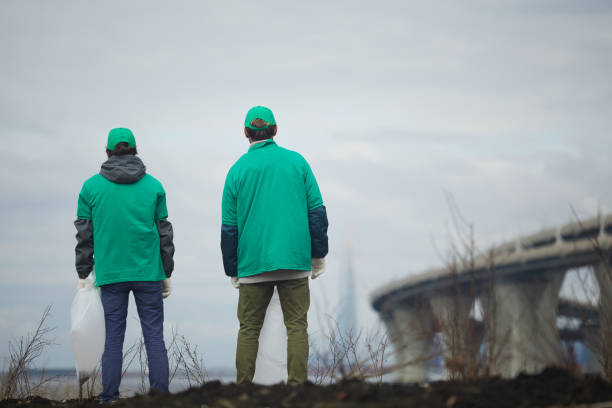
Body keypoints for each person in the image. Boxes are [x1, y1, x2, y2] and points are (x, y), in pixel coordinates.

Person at [221, 106, 329, 385]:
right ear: (275, 130)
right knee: (297, 328)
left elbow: (229, 229)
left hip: (252, 264)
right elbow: (316, 213)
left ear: (246, 133)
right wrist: (318, 255)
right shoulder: (297, 162)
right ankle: (297, 390)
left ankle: (243, 391)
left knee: (248, 330)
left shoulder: (236, 171)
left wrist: (232, 269)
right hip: (294, 260)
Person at [74, 128, 175, 402]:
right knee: (154, 336)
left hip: (111, 275)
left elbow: (85, 234)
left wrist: (83, 272)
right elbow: (164, 233)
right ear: (135, 150)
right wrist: (166, 271)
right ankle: (161, 398)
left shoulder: (91, 188)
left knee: (113, 339)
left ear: (108, 152)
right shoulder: (154, 186)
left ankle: (109, 397)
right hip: (148, 273)